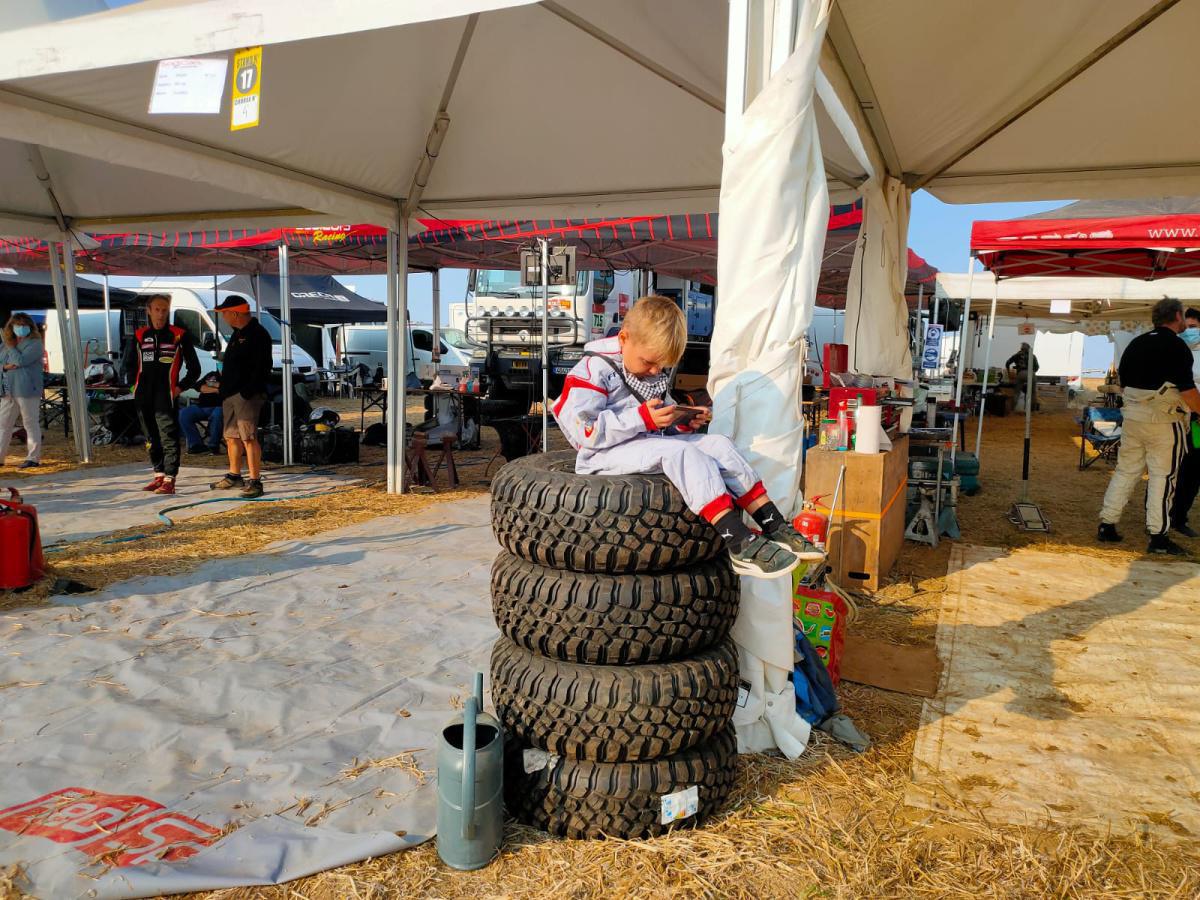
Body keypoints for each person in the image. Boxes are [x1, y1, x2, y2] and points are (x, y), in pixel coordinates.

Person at [552, 295, 823, 578]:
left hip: (642, 444)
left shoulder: (648, 370)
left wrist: (681, 421)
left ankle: (773, 523)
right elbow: (585, 431)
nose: (656, 371)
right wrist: (642, 418)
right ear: (624, 338)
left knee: (718, 445)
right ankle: (739, 541)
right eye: (649, 362)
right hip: (601, 454)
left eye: (663, 366)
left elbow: (659, 421)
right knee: (682, 454)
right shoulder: (592, 371)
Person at [1098, 297, 1200, 555]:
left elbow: (1124, 383)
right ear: (1177, 316)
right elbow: (1188, 391)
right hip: (1164, 421)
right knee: (1163, 478)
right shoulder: (1177, 348)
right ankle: (1158, 536)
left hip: (1133, 418)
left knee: (1125, 471)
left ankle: (1107, 524)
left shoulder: (1136, 343)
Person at [121, 294, 200, 494]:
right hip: (143, 395)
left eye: (164, 310)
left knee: (168, 436)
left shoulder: (179, 335)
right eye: (156, 309)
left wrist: (180, 388)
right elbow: (127, 366)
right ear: (148, 311)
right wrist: (133, 387)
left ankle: (170, 478)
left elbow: (195, 369)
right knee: (150, 436)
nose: (160, 314)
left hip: (166, 395)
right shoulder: (139, 335)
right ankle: (158, 474)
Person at [210, 295, 271, 498]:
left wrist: (248, 391)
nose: (224, 318)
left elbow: (263, 366)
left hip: (247, 396)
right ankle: (234, 475)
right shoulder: (237, 334)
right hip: (230, 394)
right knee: (231, 437)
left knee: (248, 437)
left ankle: (255, 481)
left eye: (225, 313)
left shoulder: (258, 334)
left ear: (235, 313)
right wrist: (224, 388)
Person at [1168, 307, 1200, 537]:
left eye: (1194, 327)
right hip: (1173, 418)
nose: (1189, 332)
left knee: (1193, 469)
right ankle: (1159, 517)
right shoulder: (1174, 351)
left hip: (1197, 421)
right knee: (1168, 469)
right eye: (1186, 328)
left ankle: (1179, 517)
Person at [0, 313, 44, 469]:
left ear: (30, 327)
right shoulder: (5, 344)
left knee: (30, 423)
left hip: (27, 390)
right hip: (8, 390)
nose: (21, 328)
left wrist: (11, 349)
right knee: (3, 424)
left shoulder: (35, 343)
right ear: (11, 327)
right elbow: (3, 363)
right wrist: (5, 366)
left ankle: (33, 458)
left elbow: (21, 361)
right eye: (18, 325)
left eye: (24, 325)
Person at [179, 371, 224, 455]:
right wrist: (216, 389)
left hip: (219, 407)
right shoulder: (212, 374)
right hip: (201, 407)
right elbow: (197, 386)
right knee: (184, 413)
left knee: (218, 414)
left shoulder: (232, 376)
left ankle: (213, 446)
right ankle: (196, 445)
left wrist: (209, 386)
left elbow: (226, 390)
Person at [1006, 342, 1040, 411]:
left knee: (1016, 392)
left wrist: (1009, 372)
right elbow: (1037, 367)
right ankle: (1032, 410)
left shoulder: (1017, 355)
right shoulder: (1032, 356)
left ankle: (1012, 410)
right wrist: (1032, 372)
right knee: (1033, 393)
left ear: (1021, 348)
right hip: (1031, 373)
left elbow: (1007, 363)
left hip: (1021, 373)